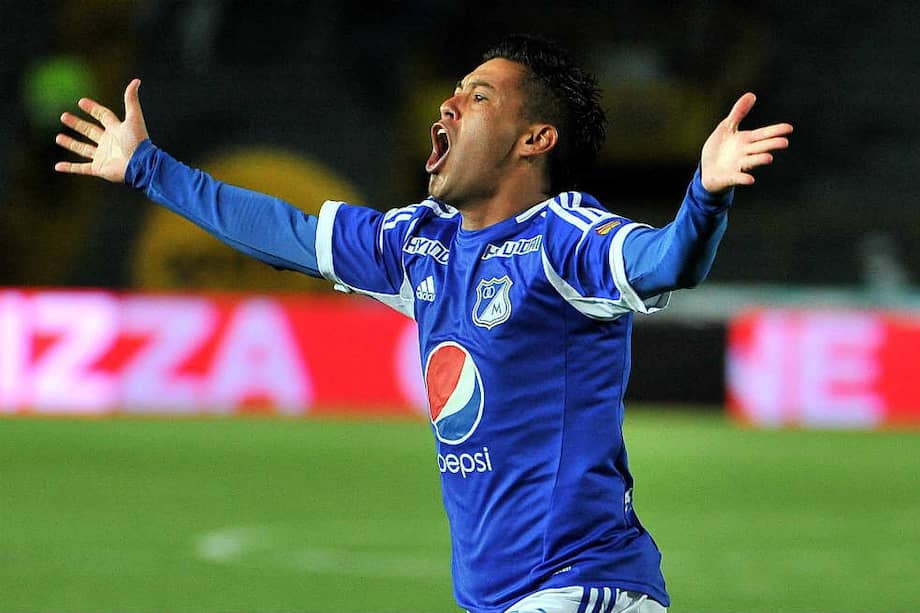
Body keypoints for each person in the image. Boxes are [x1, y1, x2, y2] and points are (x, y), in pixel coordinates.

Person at [55, 34, 791, 613]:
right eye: (452, 94)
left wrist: (705, 197)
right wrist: (147, 167)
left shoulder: (563, 238)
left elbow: (665, 261)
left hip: (580, 587)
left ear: (534, 139)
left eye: (477, 97)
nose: (448, 107)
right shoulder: (423, 245)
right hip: (507, 598)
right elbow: (283, 231)